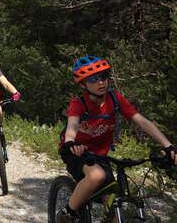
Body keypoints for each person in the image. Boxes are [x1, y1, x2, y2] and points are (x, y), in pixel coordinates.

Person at [56, 55, 177, 223]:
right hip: (76, 150)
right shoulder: (79, 104)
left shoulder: (115, 98)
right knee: (96, 176)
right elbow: (72, 126)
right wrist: (70, 142)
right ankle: (68, 212)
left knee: (113, 205)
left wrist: (168, 146)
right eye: (93, 79)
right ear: (83, 84)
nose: (101, 82)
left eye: (104, 77)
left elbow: (141, 121)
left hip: (100, 155)